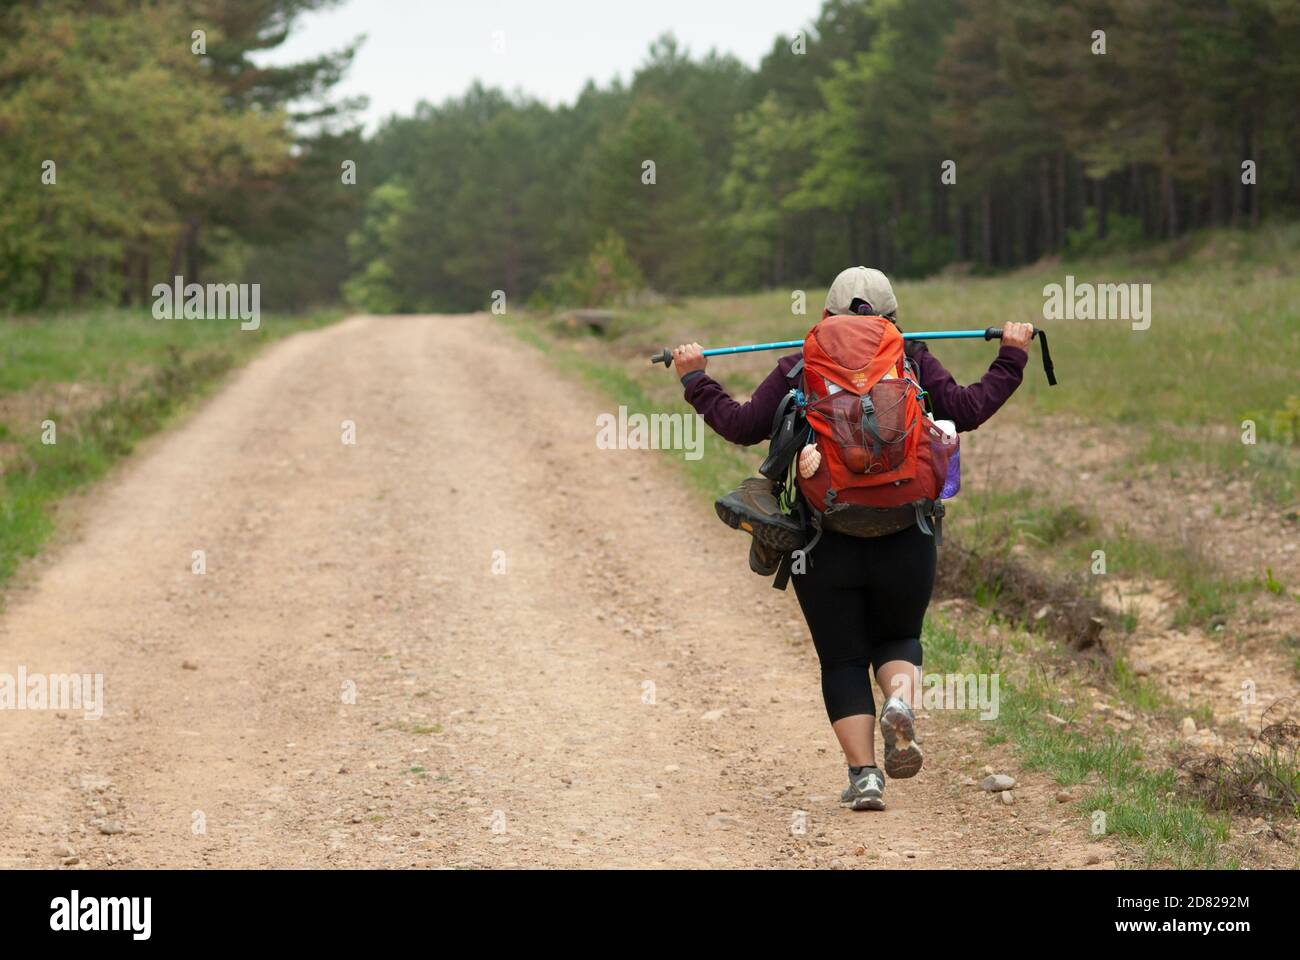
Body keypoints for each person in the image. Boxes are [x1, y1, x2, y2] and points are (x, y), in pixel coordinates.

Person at [670, 267, 1033, 811]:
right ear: (892, 318)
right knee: (898, 637)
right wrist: (1012, 354)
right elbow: (969, 408)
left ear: (825, 316)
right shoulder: (910, 359)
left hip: (824, 541)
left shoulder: (801, 363)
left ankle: (864, 778)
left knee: (842, 661)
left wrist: (695, 378)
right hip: (907, 532)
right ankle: (900, 701)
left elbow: (743, 425)